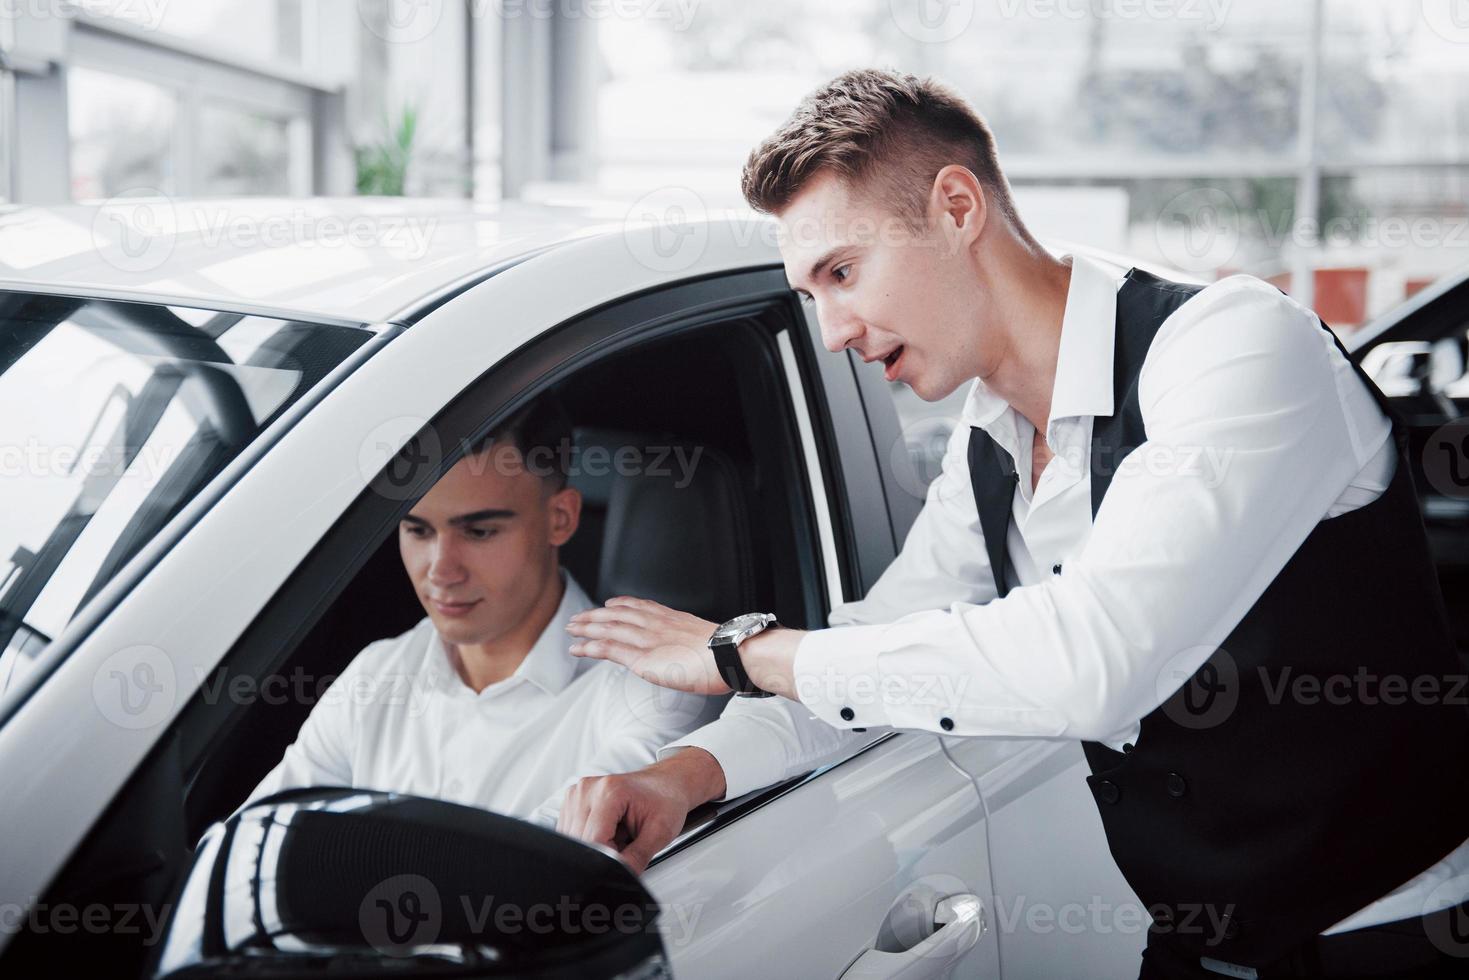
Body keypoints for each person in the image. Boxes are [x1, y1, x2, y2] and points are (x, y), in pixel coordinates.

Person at [557, 69, 1469, 978]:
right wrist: (683, 775)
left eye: (843, 272)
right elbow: (871, 655)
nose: (832, 330)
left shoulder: (1231, 345)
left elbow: (1096, 661)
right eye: (810, 296)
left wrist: (739, 652)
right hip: (1198, 950)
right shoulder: (987, 447)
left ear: (956, 207)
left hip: (1392, 942)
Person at [242, 394, 715, 827]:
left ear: (561, 519)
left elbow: (542, 879)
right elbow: (253, 848)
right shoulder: (375, 676)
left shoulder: (650, 695)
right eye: (418, 531)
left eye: (479, 532)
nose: (441, 571)